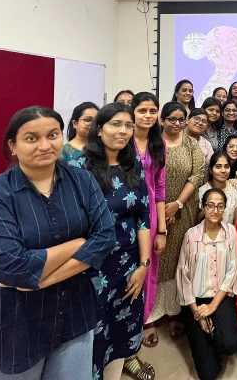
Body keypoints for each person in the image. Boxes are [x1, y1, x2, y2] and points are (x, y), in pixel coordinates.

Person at [0, 107, 115, 380]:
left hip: (73, 315)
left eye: (53, 135)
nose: (45, 145)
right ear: (13, 145)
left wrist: (42, 279)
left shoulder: (82, 180)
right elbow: (15, 269)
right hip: (11, 328)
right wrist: (78, 243)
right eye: (32, 138)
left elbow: (106, 237)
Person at [71, 103, 152, 380]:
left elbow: (143, 215)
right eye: (115, 124)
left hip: (128, 266)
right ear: (99, 129)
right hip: (90, 268)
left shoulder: (133, 164)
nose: (123, 131)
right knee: (92, 336)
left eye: (128, 125)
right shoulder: (78, 167)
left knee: (120, 333)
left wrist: (143, 266)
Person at [150, 102, 205, 341]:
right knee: (155, 258)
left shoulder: (192, 144)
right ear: (162, 120)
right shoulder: (152, 143)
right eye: (172, 119)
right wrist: (162, 209)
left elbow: (198, 174)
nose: (177, 123)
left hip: (184, 210)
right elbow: (147, 176)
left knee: (177, 261)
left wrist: (177, 204)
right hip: (154, 209)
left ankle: (173, 312)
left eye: (181, 119)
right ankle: (150, 316)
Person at [177, 188, 237, 380]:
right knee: (208, 373)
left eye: (220, 206)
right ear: (203, 207)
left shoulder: (230, 232)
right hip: (195, 301)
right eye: (210, 205)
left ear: (225, 209)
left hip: (220, 297)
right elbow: (183, 275)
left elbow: (232, 270)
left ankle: (217, 331)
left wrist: (212, 307)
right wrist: (198, 314)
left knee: (230, 344)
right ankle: (205, 334)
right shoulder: (191, 235)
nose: (215, 210)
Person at [130, 92, 167, 351]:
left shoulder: (158, 143)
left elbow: (160, 188)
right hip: (124, 214)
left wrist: (161, 230)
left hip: (151, 216)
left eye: (152, 111)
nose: (148, 115)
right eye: (142, 110)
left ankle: (139, 325)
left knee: (147, 271)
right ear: (132, 112)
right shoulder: (123, 140)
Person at [199, 152, 237, 225]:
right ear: (210, 170)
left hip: (229, 232)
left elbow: (236, 222)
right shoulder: (202, 191)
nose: (223, 170)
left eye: (226, 166)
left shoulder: (235, 190)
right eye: (218, 167)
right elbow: (198, 220)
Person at [186, 108, 214, 175]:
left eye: (204, 121)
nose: (200, 123)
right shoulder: (175, 138)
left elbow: (210, 168)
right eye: (196, 118)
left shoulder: (206, 145)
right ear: (187, 120)